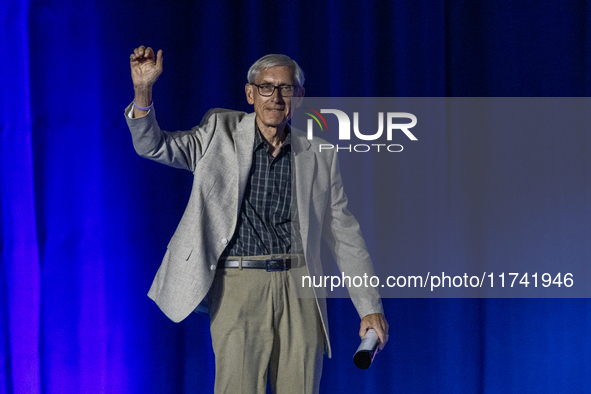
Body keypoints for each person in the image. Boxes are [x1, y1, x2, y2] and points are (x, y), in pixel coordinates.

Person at [126, 45, 389, 394]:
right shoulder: (218, 132)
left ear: (299, 97)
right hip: (238, 283)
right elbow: (154, 146)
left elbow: (345, 237)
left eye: (286, 88)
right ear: (250, 93)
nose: (276, 97)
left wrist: (369, 306)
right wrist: (143, 91)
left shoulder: (320, 156)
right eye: (266, 87)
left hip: (300, 287)